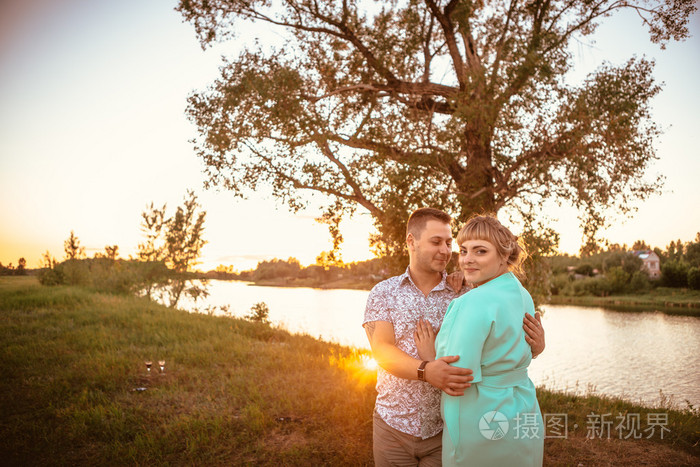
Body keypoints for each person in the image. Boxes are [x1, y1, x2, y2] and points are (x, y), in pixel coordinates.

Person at [363, 208, 545, 466]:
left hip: (446, 427)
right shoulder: (384, 292)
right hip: (394, 423)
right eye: (436, 242)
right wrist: (426, 370)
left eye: (449, 243)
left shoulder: (468, 289)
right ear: (411, 242)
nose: (446, 251)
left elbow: (502, 341)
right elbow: (381, 350)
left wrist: (536, 346)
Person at [432, 215, 544, 466]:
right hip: (523, 406)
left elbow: (455, 373)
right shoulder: (523, 295)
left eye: (480, 251)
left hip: (482, 416)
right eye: (463, 251)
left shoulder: (470, 302)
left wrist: (427, 351)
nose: (467, 259)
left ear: (504, 256)